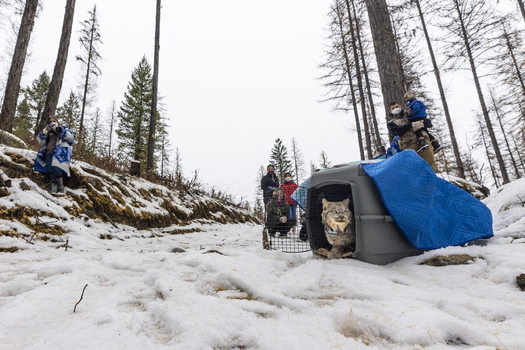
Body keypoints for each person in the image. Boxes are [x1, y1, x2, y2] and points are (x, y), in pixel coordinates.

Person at [387, 102, 437, 171]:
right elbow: (396, 132)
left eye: (397, 106)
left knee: (430, 166)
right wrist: (411, 125)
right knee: (414, 170)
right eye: (393, 108)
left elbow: (428, 123)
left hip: (424, 142)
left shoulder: (411, 114)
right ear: (390, 111)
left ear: (401, 106)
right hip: (407, 146)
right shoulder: (391, 123)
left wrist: (422, 123)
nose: (396, 109)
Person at [34, 117, 75, 193]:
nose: (52, 123)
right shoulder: (48, 133)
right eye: (50, 122)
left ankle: (60, 186)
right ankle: (53, 187)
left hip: (59, 154)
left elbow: (71, 138)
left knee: (57, 169)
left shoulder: (64, 130)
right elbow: (41, 142)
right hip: (48, 153)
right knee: (50, 170)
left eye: (54, 121)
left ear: (57, 122)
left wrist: (61, 131)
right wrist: (45, 131)